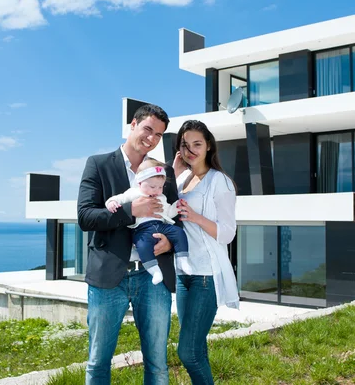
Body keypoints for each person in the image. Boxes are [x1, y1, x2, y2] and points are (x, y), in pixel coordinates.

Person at [77, 104, 180, 385]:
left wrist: (169, 244)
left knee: (158, 362)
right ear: (132, 125)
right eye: (148, 129)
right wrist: (130, 211)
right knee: (98, 362)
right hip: (109, 276)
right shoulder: (98, 164)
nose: (151, 138)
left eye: (158, 134)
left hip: (153, 278)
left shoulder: (163, 171)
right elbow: (85, 216)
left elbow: (176, 219)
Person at [173, 119, 240, 385]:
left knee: (187, 351)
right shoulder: (181, 180)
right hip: (183, 274)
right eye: (185, 145)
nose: (191, 150)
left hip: (205, 276)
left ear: (208, 145)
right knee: (197, 348)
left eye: (197, 144)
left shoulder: (219, 181)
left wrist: (196, 217)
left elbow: (228, 233)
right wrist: (173, 171)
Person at [105, 158, 192, 285]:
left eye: (160, 187)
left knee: (179, 232)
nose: (156, 190)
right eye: (152, 186)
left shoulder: (161, 197)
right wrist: (111, 203)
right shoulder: (133, 193)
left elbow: (168, 213)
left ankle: (182, 259)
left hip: (161, 226)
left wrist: (177, 206)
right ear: (140, 183)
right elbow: (118, 199)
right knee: (143, 246)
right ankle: (154, 271)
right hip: (142, 229)